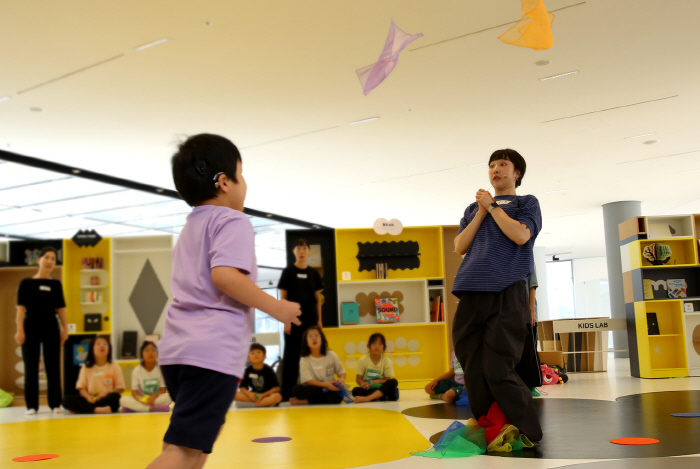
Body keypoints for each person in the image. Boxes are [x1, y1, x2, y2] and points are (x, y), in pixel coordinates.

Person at [146, 134, 301, 469]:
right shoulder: (232, 220)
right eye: (240, 174)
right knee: (182, 450)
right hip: (211, 352)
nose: (244, 182)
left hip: (177, 352)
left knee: (196, 445)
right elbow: (225, 276)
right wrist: (277, 307)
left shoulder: (191, 227)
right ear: (223, 182)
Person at [452, 148, 543, 444]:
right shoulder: (472, 209)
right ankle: (489, 425)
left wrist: (492, 208)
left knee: (498, 367)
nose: (495, 170)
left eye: (503, 164)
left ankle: (527, 428)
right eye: (492, 165)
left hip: (507, 289)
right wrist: (480, 210)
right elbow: (460, 246)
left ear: (517, 173)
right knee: (473, 365)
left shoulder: (526, 203)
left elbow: (520, 236)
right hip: (471, 289)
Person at [14, 246, 68, 415]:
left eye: (53, 259)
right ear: (39, 260)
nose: (50, 261)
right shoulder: (26, 283)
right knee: (31, 367)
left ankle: (55, 404)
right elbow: (20, 310)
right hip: (30, 327)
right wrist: (19, 330)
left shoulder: (56, 284)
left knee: (53, 367)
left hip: (51, 327)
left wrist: (65, 329)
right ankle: (32, 405)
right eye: (47, 257)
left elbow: (61, 310)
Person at [278, 239, 324, 400]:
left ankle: (314, 390)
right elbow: (282, 299)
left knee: (312, 355)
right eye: (298, 247)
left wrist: (319, 321)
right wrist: (285, 321)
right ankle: (286, 394)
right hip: (293, 320)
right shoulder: (288, 272)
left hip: (311, 321)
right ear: (294, 251)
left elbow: (318, 299)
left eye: (305, 247)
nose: (302, 250)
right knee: (291, 356)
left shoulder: (314, 274)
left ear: (309, 251)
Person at [62, 335, 125, 414]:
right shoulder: (86, 367)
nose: (102, 346)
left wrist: (108, 392)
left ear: (109, 349)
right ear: (92, 349)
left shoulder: (114, 366)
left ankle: (84, 409)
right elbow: (82, 388)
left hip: (106, 398)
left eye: (105, 344)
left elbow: (120, 388)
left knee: (116, 398)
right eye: (98, 344)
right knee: (66, 400)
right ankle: (97, 410)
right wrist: (88, 397)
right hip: (91, 399)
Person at [290, 326, 346, 405]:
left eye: (316, 335)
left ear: (322, 339)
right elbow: (308, 381)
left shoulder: (331, 354)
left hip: (329, 388)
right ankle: (315, 400)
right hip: (314, 388)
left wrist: (341, 380)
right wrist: (326, 385)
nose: (314, 338)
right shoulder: (304, 359)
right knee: (296, 390)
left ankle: (306, 402)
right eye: (310, 336)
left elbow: (342, 371)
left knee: (338, 396)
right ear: (306, 341)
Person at [120, 341, 172, 412]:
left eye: (153, 350)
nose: (150, 353)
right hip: (142, 399)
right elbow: (134, 392)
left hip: (156, 398)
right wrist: (140, 398)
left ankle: (135, 409)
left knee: (168, 396)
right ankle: (153, 409)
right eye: (147, 350)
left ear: (157, 354)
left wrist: (154, 397)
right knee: (123, 400)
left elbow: (163, 390)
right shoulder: (136, 371)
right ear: (142, 355)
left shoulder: (160, 369)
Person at [515, 272, 543, 396]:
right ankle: (517, 385)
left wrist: (531, 311)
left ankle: (531, 385)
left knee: (529, 350)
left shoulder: (526, 255)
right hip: (511, 313)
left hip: (527, 314)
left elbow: (532, 286)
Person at [352, 333, 399, 403]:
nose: (377, 346)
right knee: (355, 391)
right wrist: (363, 384)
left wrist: (377, 381)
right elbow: (358, 379)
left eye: (380, 344)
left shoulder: (387, 361)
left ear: (384, 347)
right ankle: (382, 396)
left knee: (394, 381)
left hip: (382, 387)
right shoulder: (363, 360)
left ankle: (368, 398)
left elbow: (387, 379)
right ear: (368, 346)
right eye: (374, 344)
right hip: (369, 388)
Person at [235, 343, 282, 407]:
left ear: (264, 356)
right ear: (248, 359)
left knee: (277, 396)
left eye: (259, 352)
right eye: (252, 353)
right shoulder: (247, 370)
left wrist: (262, 395)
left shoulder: (268, 370)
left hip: (266, 395)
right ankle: (263, 404)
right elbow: (242, 387)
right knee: (234, 394)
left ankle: (253, 405)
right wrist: (250, 394)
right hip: (254, 394)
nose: (256, 354)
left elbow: (277, 388)